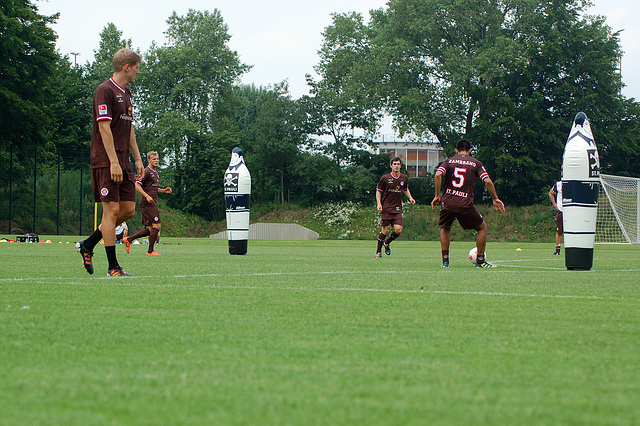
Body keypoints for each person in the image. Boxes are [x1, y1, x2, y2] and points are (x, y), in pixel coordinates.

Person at [76, 48, 144, 277]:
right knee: (112, 210)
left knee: (128, 210)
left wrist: (137, 158)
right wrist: (114, 161)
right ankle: (113, 267)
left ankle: (88, 244)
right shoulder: (104, 91)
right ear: (127, 67)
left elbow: (129, 128)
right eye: (136, 67)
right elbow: (104, 128)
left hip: (123, 160)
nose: (137, 71)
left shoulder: (127, 93)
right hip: (106, 160)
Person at [431, 139, 505, 268]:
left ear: (456, 150)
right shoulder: (475, 163)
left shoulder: (449, 161)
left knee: (446, 228)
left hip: (447, 202)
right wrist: (495, 198)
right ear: (470, 150)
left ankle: (445, 262)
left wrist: (438, 195)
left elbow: (438, 175)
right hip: (464, 203)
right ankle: (480, 262)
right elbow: (487, 181)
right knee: (482, 228)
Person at [123, 151, 172, 255]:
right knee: (157, 226)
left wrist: (163, 190)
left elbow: (152, 188)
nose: (156, 161)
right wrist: (146, 196)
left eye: (157, 159)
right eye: (154, 159)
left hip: (151, 202)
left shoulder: (155, 172)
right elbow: (137, 185)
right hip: (147, 203)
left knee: (151, 229)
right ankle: (150, 251)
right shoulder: (146, 171)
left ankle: (129, 240)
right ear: (149, 160)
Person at [375, 156, 416, 258]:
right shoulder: (385, 178)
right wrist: (379, 204)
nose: (397, 166)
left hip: (397, 208)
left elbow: (405, 188)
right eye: (395, 164)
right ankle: (378, 252)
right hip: (386, 208)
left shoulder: (404, 178)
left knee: (398, 230)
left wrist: (410, 197)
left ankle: (387, 243)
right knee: (385, 229)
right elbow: (378, 191)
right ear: (391, 166)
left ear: (400, 166)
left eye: (398, 164)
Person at [549, 180, 563, 255]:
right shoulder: (558, 184)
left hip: (571, 211)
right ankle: (557, 250)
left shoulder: (573, 183)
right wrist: (555, 204)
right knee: (559, 231)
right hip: (561, 210)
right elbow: (551, 193)